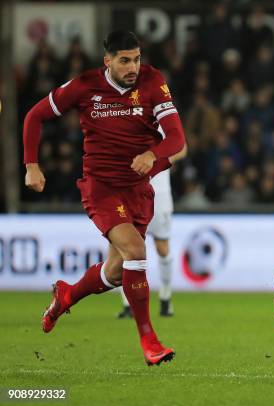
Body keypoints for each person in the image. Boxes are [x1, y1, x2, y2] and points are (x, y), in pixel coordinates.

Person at [23, 30, 186, 366]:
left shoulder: (153, 82)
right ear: (107, 61)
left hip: (139, 189)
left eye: (137, 59)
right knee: (136, 251)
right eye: (125, 60)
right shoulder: (85, 86)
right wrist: (31, 166)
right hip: (102, 187)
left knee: (114, 272)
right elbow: (34, 116)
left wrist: (153, 155)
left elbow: (177, 139)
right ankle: (149, 340)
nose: (133, 67)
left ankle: (67, 295)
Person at [118, 167, 181, 318]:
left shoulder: (166, 141)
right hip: (132, 194)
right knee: (126, 248)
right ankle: (128, 304)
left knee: (162, 249)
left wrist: (165, 157)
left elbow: (181, 149)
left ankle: (165, 297)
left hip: (160, 198)